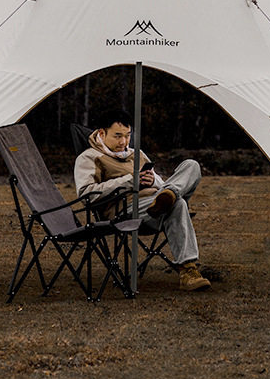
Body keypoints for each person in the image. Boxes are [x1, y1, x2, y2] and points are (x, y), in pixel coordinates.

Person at [73, 108, 210, 291]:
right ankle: (188, 270)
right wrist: (130, 181)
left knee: (191, 166)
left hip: (153, 204)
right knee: (178, 204)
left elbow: (159, 180)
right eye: (117, 136)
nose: (124, 142)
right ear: (101, 133)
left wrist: (154, 180)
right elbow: (86, 194)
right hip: (124, 209)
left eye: (128, 136)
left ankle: (168, 196)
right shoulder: (89, 157)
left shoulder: (136, 154)